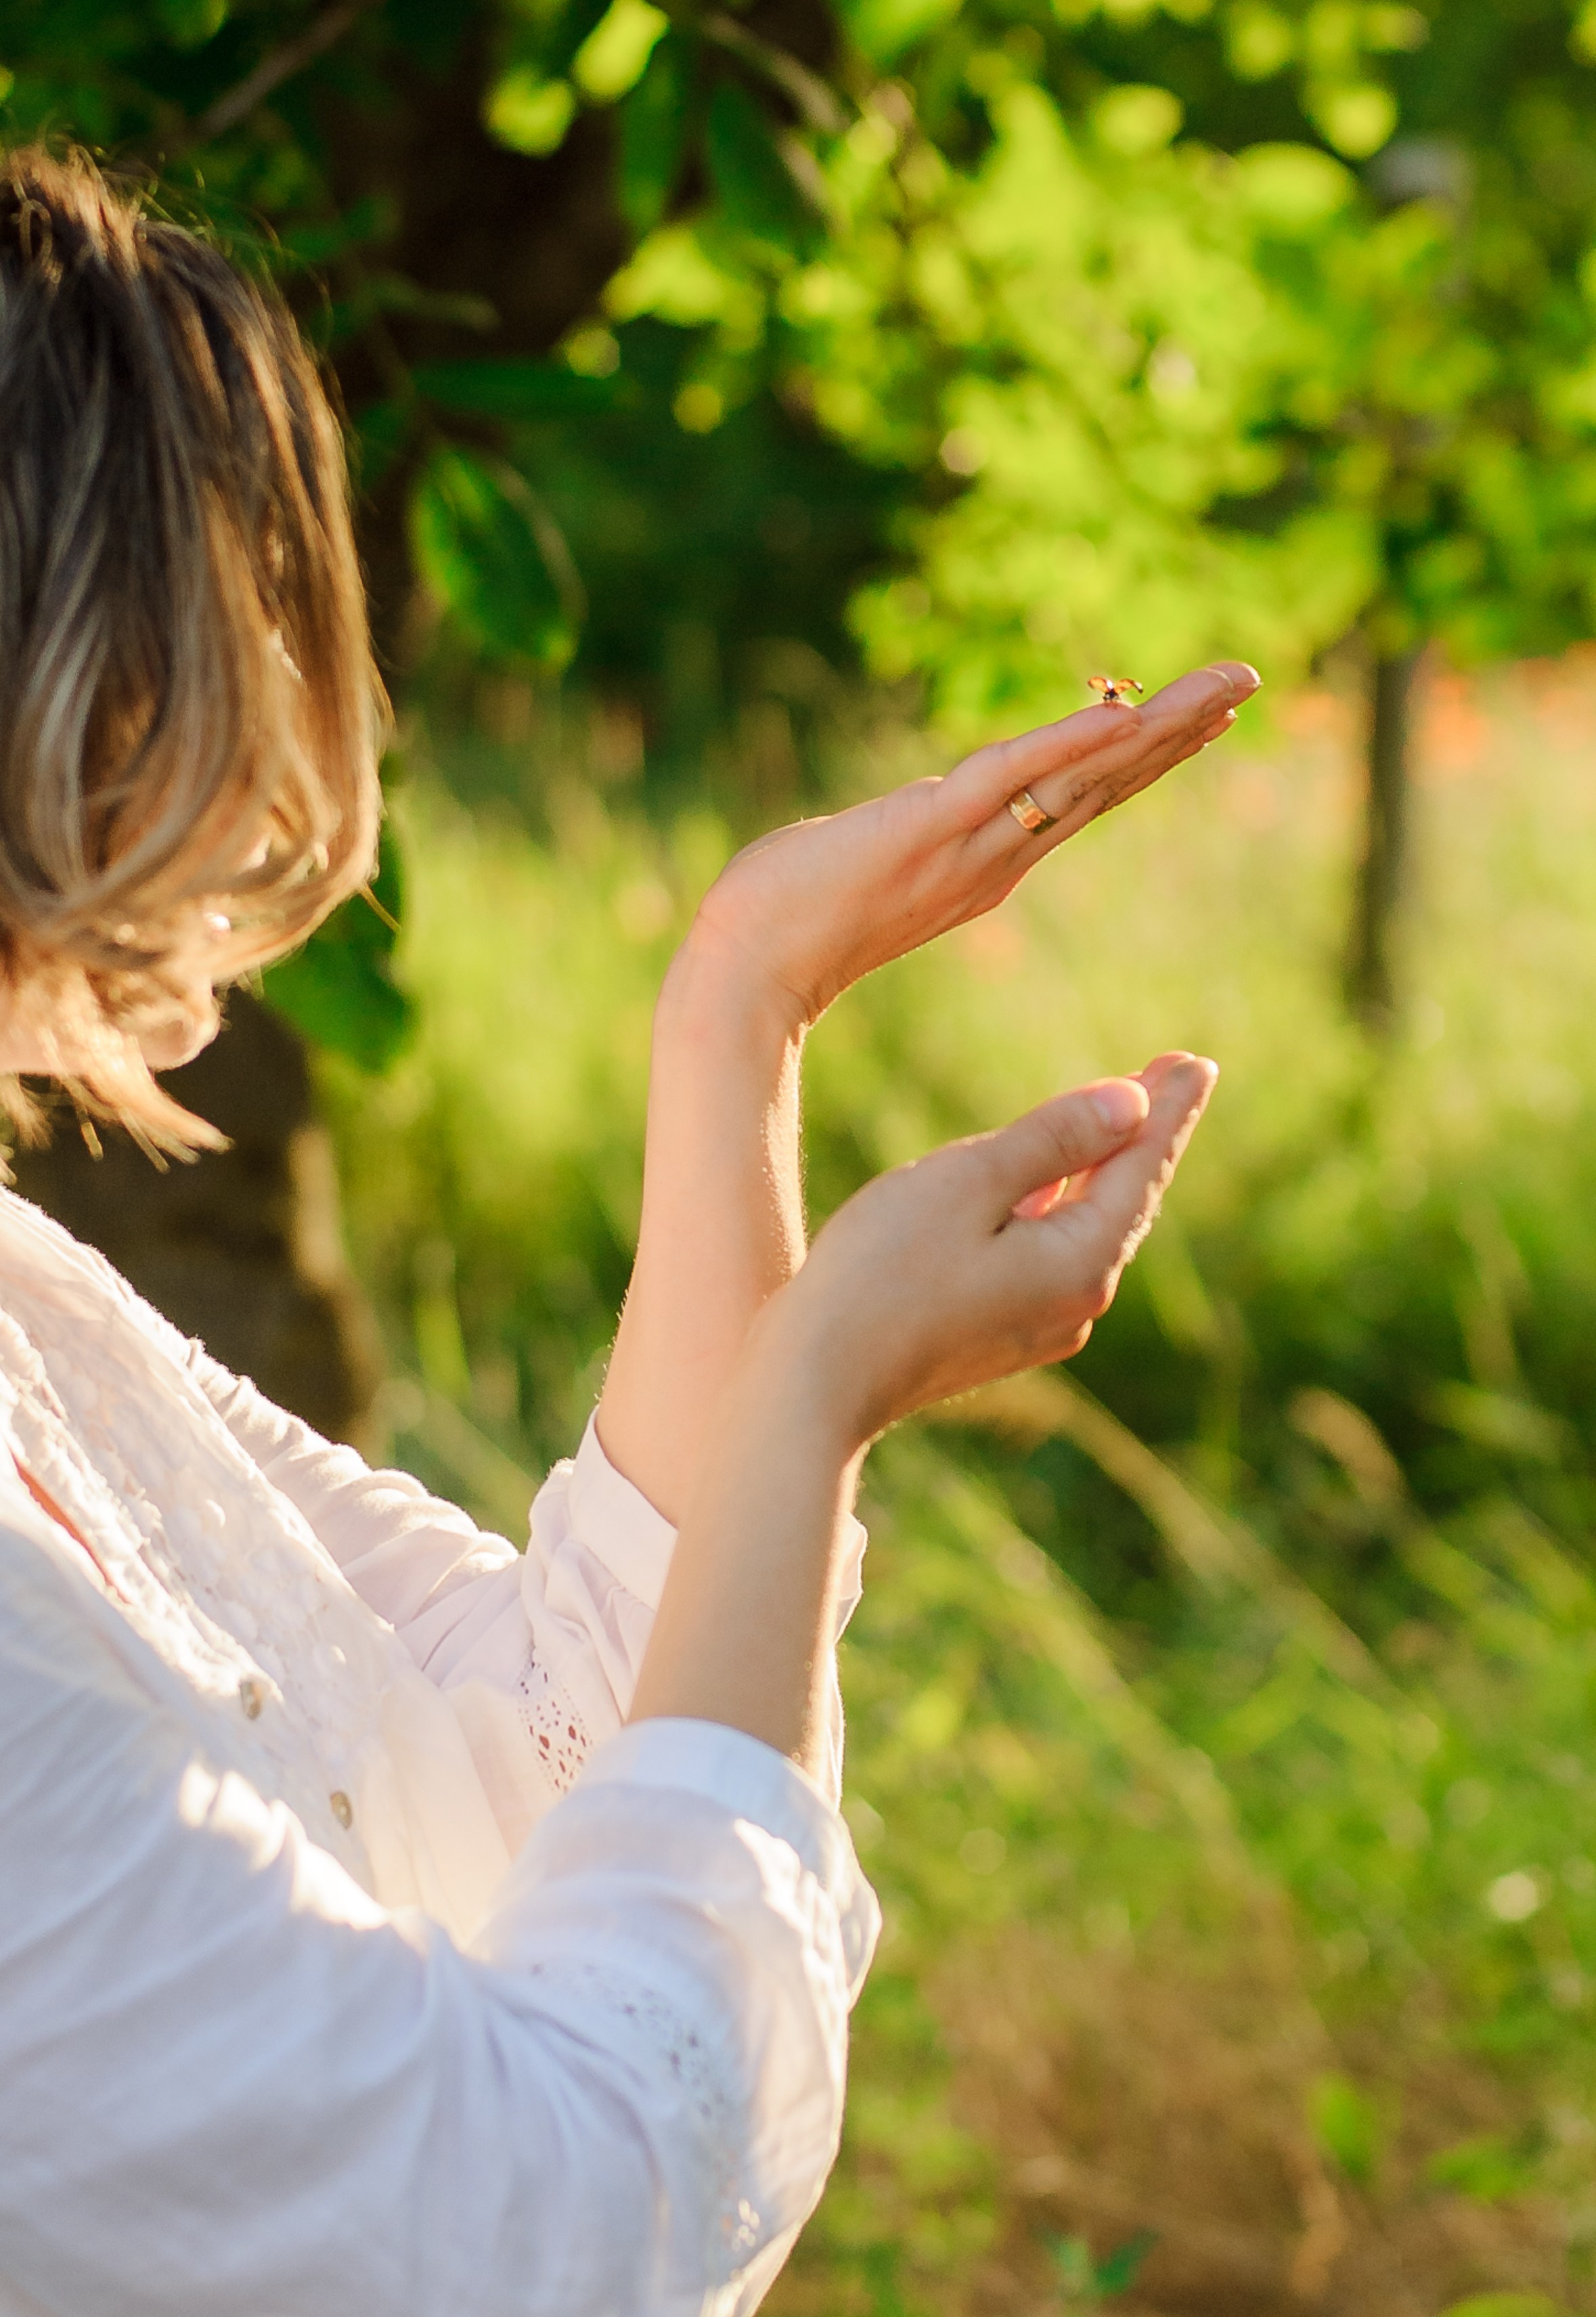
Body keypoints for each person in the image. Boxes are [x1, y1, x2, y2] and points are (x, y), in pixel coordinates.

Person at [0, 144, 1258, 2317]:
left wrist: (741, 1008)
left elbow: (529, 1760)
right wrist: (805, 1407)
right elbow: (546, 2236)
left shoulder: (35, 1315)